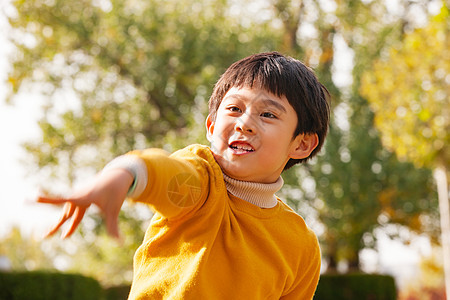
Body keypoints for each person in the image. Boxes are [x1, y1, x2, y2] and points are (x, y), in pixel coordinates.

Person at [38, 51, 330, 299]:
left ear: (302, 143)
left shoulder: (300, 245)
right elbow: (163, 172)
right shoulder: (201, 180)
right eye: (234, 108)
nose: (244, 123)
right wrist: (122, 175)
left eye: (268, 114)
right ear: (212, 126)